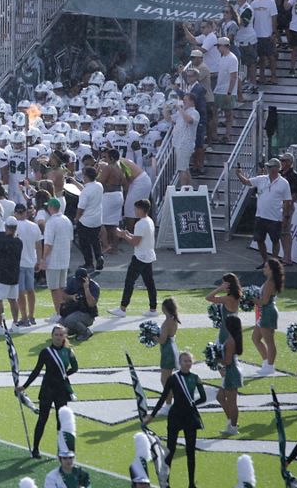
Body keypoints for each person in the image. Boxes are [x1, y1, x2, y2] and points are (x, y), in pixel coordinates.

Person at [17, 325, 78, 459]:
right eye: (56, 335)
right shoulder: (46, 352)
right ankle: (36, 449)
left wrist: (64, 375)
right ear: (52, 336)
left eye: (61, 335)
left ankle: (61, 450)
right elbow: (37, 370)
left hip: (61, 390)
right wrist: (25, 386)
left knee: (61, 421)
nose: (58, 337)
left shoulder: (69, 351)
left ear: (64, 337)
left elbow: (75, 368)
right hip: (47, 389)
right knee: (42, 419)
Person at [149, 350, 205, 488]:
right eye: (185, 361)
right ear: (179, 363)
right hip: (175, 417)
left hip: (190, 417)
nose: (187, 363)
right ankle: (165, 482)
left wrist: (193, 403)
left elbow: (203, 397)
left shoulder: (195, 377)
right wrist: (152, 415)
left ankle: (191, 484)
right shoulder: (173, 378)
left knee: (190, 451)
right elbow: (163, 398)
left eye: (189, 361)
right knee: (170, 450)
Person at [236, 159, 292, 267]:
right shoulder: (261, 179)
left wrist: (285, 217)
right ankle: (265, 261)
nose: (268, 169)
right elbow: (247, 182)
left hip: (275, 217)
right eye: (268, 167)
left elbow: (287, 202)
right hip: (260, 216)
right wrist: (239, 174)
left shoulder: (284, 183)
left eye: (270, 167)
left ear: (276, 168)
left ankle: (274, 262)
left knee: (275, 240)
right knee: (259, 240)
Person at [107, 199, 156, 318]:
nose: (135, 211)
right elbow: (139, 238)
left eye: (136, 209)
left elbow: (135, 243)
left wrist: (124, 236)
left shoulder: (140, 224)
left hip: (140, 257)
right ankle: (153, 309)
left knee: (129, 282)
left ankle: (122, 308)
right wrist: (127, 234)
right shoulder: (149, 221)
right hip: (148, 256)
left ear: (140, 209)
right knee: (149, 283)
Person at [39, 197, 73, 321]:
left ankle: (59, 313)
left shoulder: (51, 222)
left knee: (54, 288)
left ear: (51, 208)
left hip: (53, 260)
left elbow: (48, 244)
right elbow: (70, 241)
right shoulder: (67, 220)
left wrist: (43, 259)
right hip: (64, 259)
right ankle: (64, 312)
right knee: (61, 288)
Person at [58, 267, 99, 342]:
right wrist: (72, 297)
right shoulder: (73, 281)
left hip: (87, 314)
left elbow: (91, 304)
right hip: (74, 310)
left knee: (69, 320)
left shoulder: (94, 286)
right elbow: (63, 295)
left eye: (82, 280)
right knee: (60, 324)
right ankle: (76, 331)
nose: (80, 282)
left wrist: (86, 289)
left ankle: (86, 332)